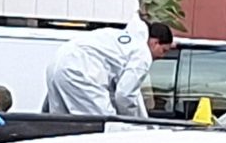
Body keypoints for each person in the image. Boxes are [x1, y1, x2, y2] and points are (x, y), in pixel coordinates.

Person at [45, 12, 173, 117]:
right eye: (164, 50)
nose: (161, 56)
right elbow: (125, 95)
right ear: (155, 43)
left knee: (61, 126)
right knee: (105, 128)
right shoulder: (142, 53)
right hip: (81, 71)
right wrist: (136, 124)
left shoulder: (122, 39)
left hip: (57, 62)